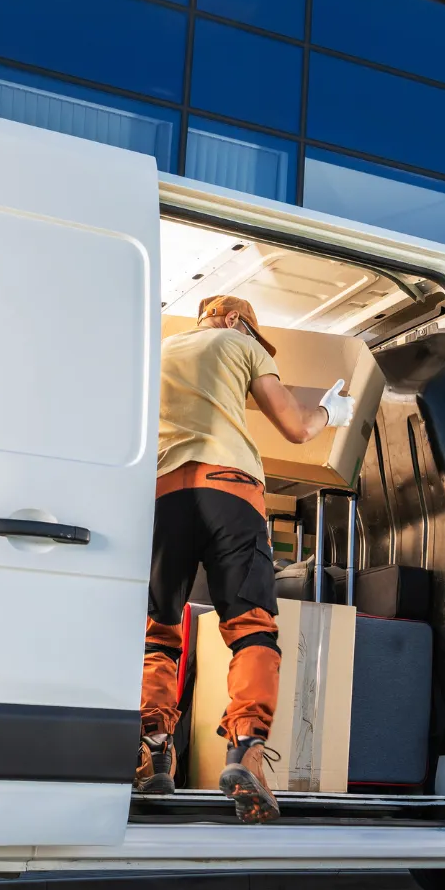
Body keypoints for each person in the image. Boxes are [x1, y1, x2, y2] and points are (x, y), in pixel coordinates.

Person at [134, 294, 355, 823]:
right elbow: (297, 428)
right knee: (252, 628)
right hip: (230, 490)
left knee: (158, 627)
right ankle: (246, 751)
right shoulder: (240, 344)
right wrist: (332, 411)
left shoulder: (158, 350)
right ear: (236, 320)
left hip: (165, 495)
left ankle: (153, 753)